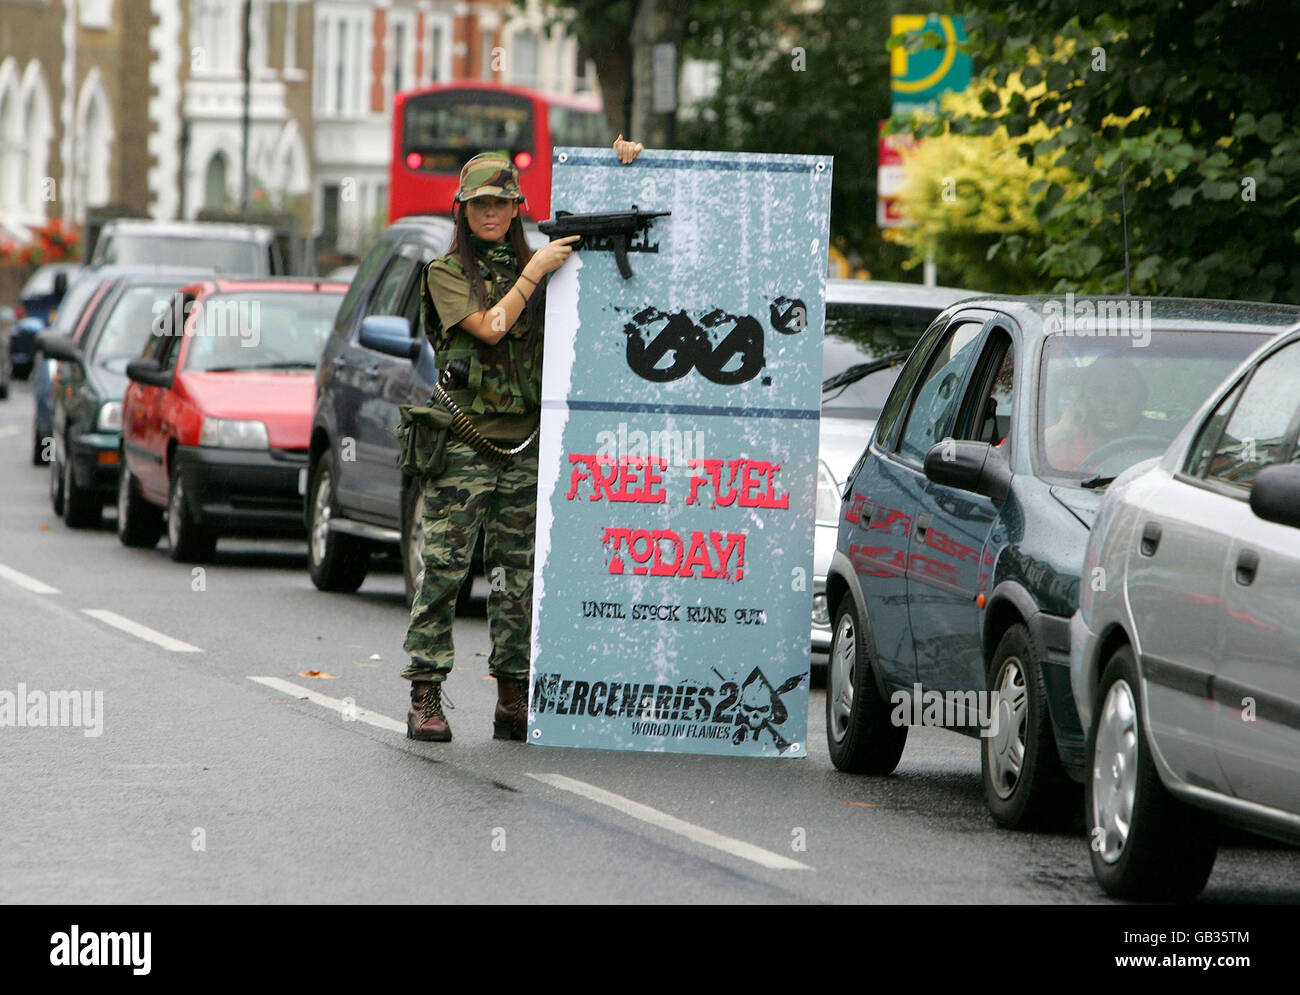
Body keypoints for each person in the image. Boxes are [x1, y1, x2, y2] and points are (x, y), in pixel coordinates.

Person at [403, 136, 644, 742]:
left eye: (501, 203)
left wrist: (624, 165)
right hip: (462, 443)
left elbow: (618, 236)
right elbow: (489, 329)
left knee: (516, 576)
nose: (490, 213)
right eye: (479, 204)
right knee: (445, 573)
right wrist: (536, 271)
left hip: (524, 445)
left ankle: (514, 695)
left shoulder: (540, 264)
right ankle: (425, 694)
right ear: (462, 210)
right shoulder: (447, 272)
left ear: (516, 208)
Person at [1044, 354, 1147, 471]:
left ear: (1140, 403)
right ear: (1082, 400)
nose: (1110, 399)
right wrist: (1062, 430)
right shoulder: (1058, 445)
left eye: (1122, 392)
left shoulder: (1151, 457)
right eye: (1099, 390)